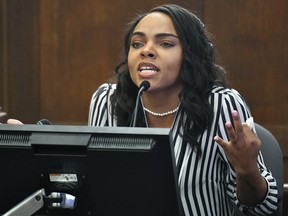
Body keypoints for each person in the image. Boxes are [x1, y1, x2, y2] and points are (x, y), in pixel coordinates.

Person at [87, 4, 278, 216]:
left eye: (166, 43)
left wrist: (247, 169)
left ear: (190, 54)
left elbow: (263, 207)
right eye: (137, 43)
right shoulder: (107, 100)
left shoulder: (221, 105)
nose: (146, 50)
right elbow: (94, 191)